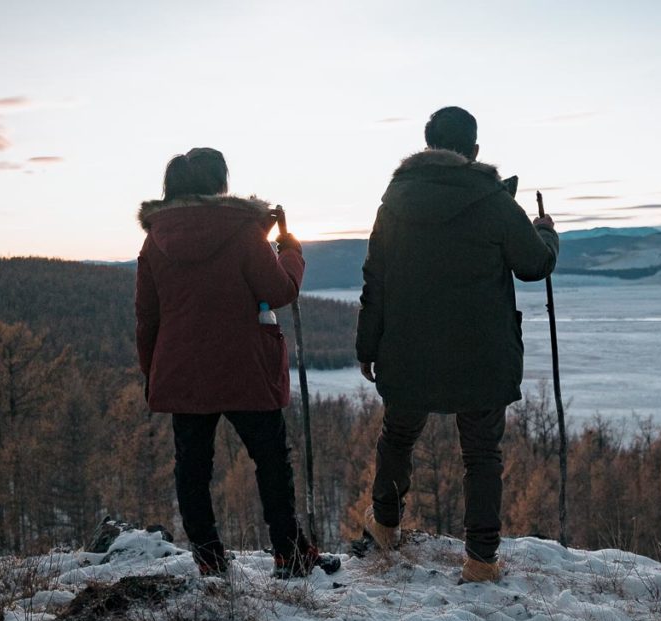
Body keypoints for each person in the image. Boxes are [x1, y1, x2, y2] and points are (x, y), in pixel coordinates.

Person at [355, 107, 559, 582]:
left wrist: (367, 346)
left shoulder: (394, 203)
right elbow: (533, 265)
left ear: (427, 147)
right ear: (473, 152)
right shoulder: (492, 200)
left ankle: (385, 527)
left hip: (407, 350)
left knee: (398, 438)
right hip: (481, 353)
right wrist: (546, 232)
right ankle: (481, 560)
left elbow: (375, 280)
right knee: (482, 454)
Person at [135, 147, 326, 578]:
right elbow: (279, 291)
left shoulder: (155, 238)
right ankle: (290, 554)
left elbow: (148, 316)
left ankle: (209, 559)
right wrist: (290, 252)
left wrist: (152, 372)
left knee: (192, 467)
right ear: (220, 184)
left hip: (182, 370)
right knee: (272, 459)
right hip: (246, 367)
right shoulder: (242, 232)